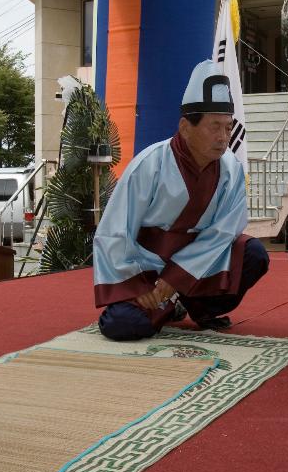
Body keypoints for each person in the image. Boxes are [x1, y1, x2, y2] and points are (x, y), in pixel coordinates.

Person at [93, 60, 270, 341]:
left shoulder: (231, 169)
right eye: (215, 127)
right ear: (185, 127)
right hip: (146, 264)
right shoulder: (149, 164)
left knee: (253, 254)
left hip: (196, 265)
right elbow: (115, 231)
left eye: (228, 128)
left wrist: (174, 279)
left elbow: (224, 231)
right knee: (123, 326)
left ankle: (199, 306)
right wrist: (141, 285)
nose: (223, 138)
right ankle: (165, 305)